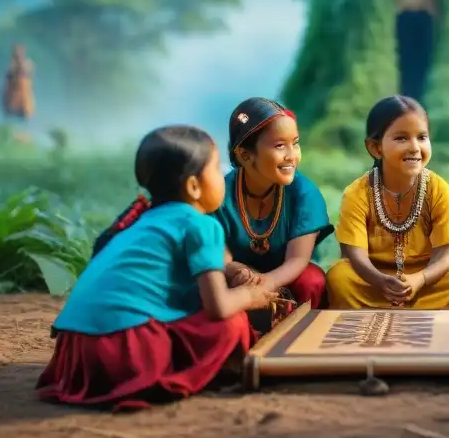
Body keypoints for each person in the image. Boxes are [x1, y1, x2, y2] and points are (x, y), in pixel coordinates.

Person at [39, 125, 277, 411]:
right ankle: (193, 373)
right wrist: (252, 297)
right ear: (193, 186)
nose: (223, 175)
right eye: (216, 168)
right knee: (232, 324)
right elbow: (218, 307)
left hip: (73, 353)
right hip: (125, 352)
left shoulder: (137, 222)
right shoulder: (202, 224)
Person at [326, 95, 449, 309]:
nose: (415, 147)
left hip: (428, 279)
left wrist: (420, 279)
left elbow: (447, 253)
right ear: (375, 148)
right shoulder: (357, 193)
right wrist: (380, 281)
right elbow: (354, 254)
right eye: (401, 138)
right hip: (375, 282)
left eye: (422, 137)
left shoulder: (438, 188)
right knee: (339, 277)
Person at [213, 98, 334, 310]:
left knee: (312, 280)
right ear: (245, 155)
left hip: (287, 275)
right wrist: (238, 271)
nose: (292, 156)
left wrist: (264, 284)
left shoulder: (304, 193)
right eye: (280, 146)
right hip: (239, 278)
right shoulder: (218, 194)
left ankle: (303, 337)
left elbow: (297, 260)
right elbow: (221, 258)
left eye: (295, 143)